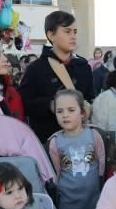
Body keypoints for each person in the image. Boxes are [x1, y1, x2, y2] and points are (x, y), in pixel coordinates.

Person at [19, 11, 94, 141]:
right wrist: (50, 104)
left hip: (81, 140)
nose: (73, 36)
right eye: (67, 31)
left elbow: (90, 98)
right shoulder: (36, 69)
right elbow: (24, 103)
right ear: (51, 35)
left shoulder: (83, 67)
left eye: (75, 32)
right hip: (48, 141)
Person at [47, 89, 106, 209]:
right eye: (60, 111)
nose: (65, 115)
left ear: (82, 113)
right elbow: (56, 175)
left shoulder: (94, 135)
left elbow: (102, 168)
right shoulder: (54, 142)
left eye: (71, 110)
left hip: (96, 208)